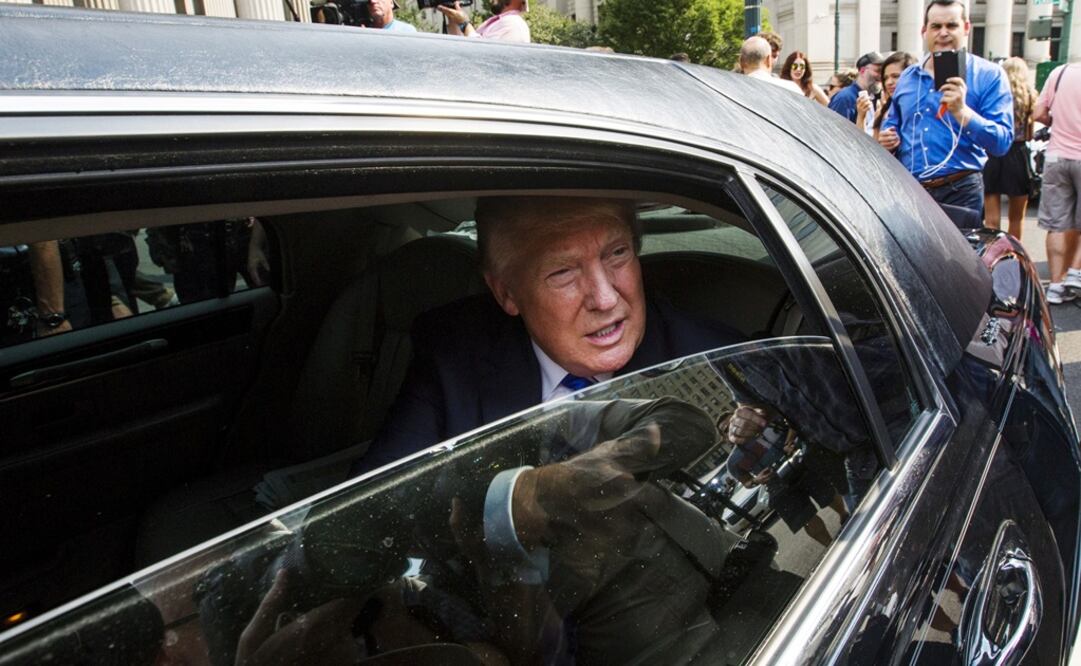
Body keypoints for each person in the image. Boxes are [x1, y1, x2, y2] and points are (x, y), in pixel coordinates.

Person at [356, 196, 748, 473]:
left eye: (617, 254)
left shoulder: (719, 359)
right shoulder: (455, 354)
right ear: (506, 293)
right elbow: (374, 514)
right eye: (562, 272)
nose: (606, 298)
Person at [878, 0, 1013, 227]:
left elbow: (1001, 142)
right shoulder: (908, 77)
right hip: (912, 189)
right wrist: (886, 137)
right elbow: (892, 122)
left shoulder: (989, 75)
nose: (943, 33)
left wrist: (963, 113)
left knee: (955, 263)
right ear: (924, 31)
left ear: (966, 28)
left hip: (960, 190)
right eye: (936, 26)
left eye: (951, 26)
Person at [1034, 61, 1081, 304]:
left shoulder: (1059, 73)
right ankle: (1075, 271)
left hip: (1057, 156)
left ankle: (1055, 285)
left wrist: (1059, 124)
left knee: (1056, 224)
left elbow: (1039, 113)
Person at [983, 57, 1036, 239]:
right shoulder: (1029, 96)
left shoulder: (996, 95)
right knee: (1016, 218)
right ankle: (1013, 259)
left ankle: (991, 259)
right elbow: (1030, 135)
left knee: (991, 219)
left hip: (993, 152)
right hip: (1018, 154)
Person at [828, 51, 883, 133]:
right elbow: (835, 132)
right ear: (862, 70)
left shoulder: (878, 98)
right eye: (878, 70)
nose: (881, 75)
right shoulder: (844, 98)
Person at [872, 51, 917, 140]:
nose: (889, 82)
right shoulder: (881, 112)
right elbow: (873, 146)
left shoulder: (920, 109)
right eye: (885, 78)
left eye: (896, 76)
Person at [438, 0, 529, 43]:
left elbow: (481, 55)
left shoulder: (514, 24)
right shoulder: (502, 22)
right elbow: (464, 46)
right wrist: (453, 16)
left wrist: (464, 24)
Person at [739, 36, 803, 95]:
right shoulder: (792, 89)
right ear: (768, 60)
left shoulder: (733, 91)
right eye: (774, 56)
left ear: (741, 62)